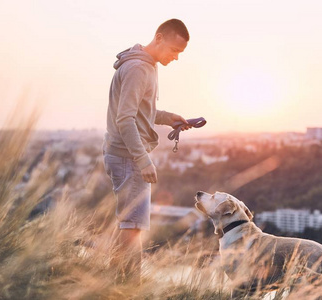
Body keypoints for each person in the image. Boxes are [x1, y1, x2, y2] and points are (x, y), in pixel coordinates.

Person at [102, 19, 191, 284]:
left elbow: (142, 113)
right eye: (174, 50)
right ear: (159, 37)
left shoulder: (146, 65)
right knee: (132, 228)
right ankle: (129, 287)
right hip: (128, 156)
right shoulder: (138, 68)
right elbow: (125, 119)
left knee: (131, 226)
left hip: (126, 154)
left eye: (180, 54)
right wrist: (143, 161)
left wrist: (168, 117)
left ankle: (121, 285)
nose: (175, 58)